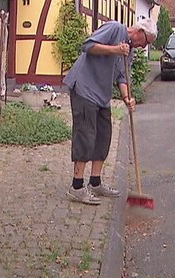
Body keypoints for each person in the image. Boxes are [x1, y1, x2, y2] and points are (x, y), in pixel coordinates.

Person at [63, 17, 157, 205]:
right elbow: (88, 45)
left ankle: (95, 182)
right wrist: (115, 49)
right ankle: (76, 187)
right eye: (145, 42)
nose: (142, 47)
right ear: (139, 32)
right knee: (86, 136)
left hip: (101, 94)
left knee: (103, 136)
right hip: (84, 87)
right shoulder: (115, 29)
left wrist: (127, 97)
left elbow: (122, 76)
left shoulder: (128, 51)